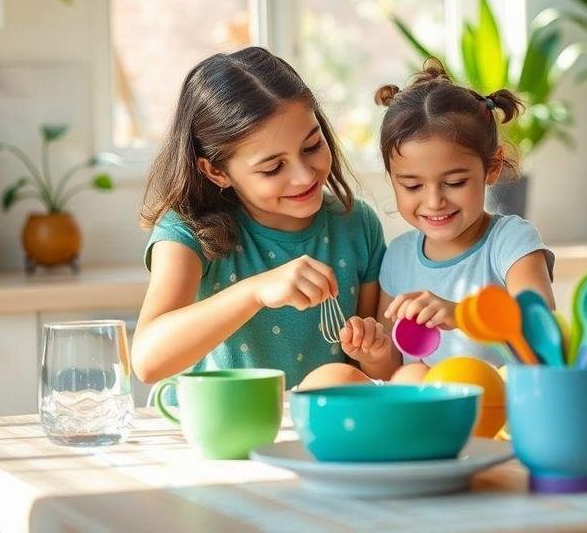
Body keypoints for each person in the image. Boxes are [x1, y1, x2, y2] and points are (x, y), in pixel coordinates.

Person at [132, 46, 398, 391]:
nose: (304, 176)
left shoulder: (355, 224)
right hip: (219, 431)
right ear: (216, 171)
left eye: (312, 146)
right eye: (273, 167)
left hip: (317, 431)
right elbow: (147, 360)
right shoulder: (187, 231)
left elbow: (373, 371)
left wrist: (373, 353)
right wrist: (255, 291)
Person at [375, 60, 556, 365]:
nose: (434, 201)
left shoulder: (511, 242)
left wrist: (462, 315)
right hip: (429, 409)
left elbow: (542, 332)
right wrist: (373, 351)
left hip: (502, 406)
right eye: (412, 186)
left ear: (493, 168)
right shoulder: (397, 257)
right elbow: (391, 367)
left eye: (455, 182)